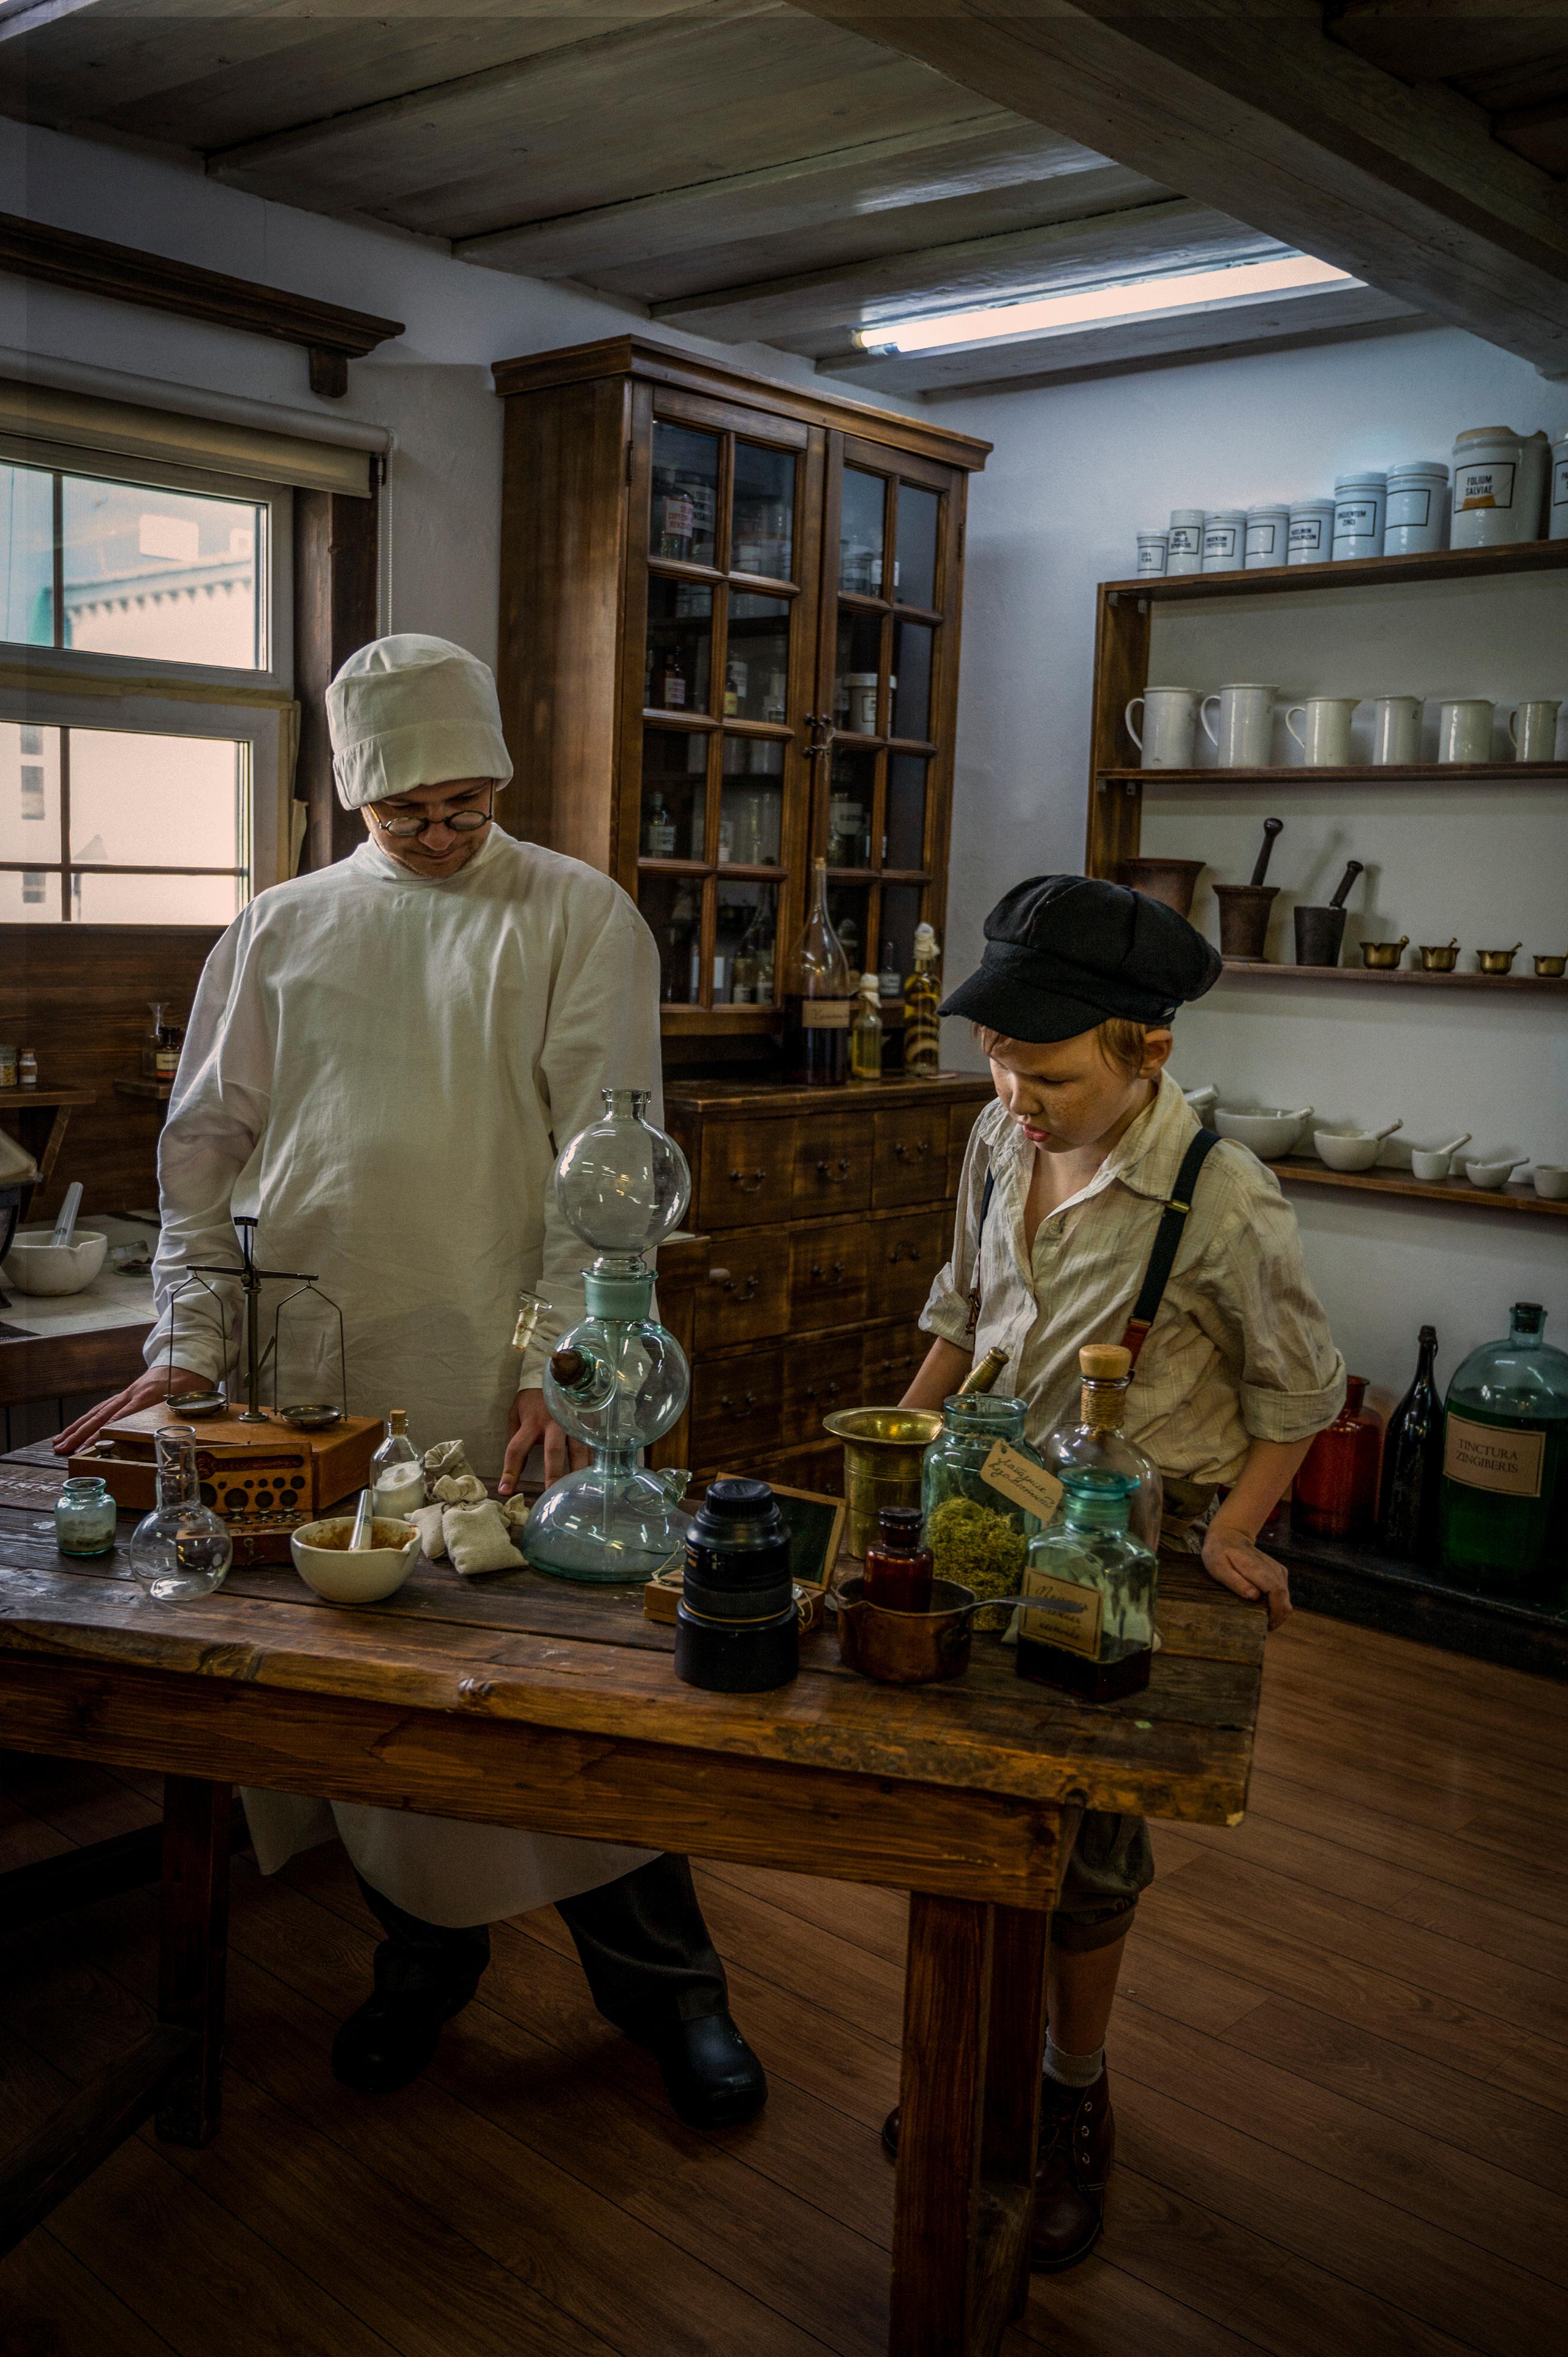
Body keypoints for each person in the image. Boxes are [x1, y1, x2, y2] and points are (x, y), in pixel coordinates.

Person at [56, 634, 766, 2127]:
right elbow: (201, 1154)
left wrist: (564, 1359)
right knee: (375, 1696)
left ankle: (672, 1995)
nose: (442, 835)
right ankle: (423, 1964)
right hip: (326, 1368)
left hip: (514, 1367)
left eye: (467, 805)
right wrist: (193, 1342)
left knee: (577, 1698)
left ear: (498, 779)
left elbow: (608, 1172)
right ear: (352, 798)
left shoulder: (575, 913)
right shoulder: (279, 927)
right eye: (407, 812)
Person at [883, 874, 1343, 2268]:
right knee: (967, 1806)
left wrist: (1233, 1530)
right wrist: (893, 1457)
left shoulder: (1225, 1199)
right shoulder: (993, 1133)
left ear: (1148, 1051)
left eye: (1050, 1074)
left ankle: (1070, 2091)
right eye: (998, 1059)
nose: (1015, 1095)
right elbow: (961, 1313)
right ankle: (976, 2058)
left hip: (1119, 1554)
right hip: (979, 1521)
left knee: (1086, 1851)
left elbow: (1300, 1394)